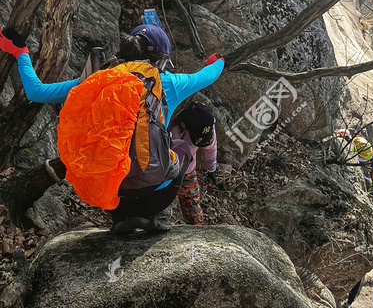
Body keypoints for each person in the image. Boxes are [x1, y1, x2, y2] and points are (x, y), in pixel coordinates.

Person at [0, 24, 225, 233]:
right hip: (152, 191)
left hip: (107, 195)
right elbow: (209, 75)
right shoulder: (169, 83)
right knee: (180, 149)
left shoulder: (97, 79)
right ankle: (151, 215)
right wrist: (217, 61)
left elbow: (35, 91)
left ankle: (121, 217)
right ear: (159, 61)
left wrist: (20, 52)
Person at [168, 101, 218, 225]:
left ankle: (197, 234)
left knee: (194, 212)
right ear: (183, 125)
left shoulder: (206, 127)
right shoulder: (169, 127)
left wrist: (211, 170)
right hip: (163, 172)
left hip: (187, 172)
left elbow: (211, 148)